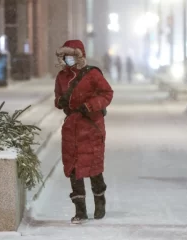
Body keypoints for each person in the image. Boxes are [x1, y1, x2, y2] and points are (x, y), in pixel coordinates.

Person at [54, 40, 114, 224]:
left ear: (79, 56)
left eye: (71, 56)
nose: (68, 59)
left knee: (93, 166)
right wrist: (60, 102)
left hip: (91, 125)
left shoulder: (92, 74)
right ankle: (80, 210)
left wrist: (90, 105)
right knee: (74, 168)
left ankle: (99, 202)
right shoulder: (61, 77)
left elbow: (107, 94)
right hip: (72, 126)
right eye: (65, 56)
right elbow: (57, 96)